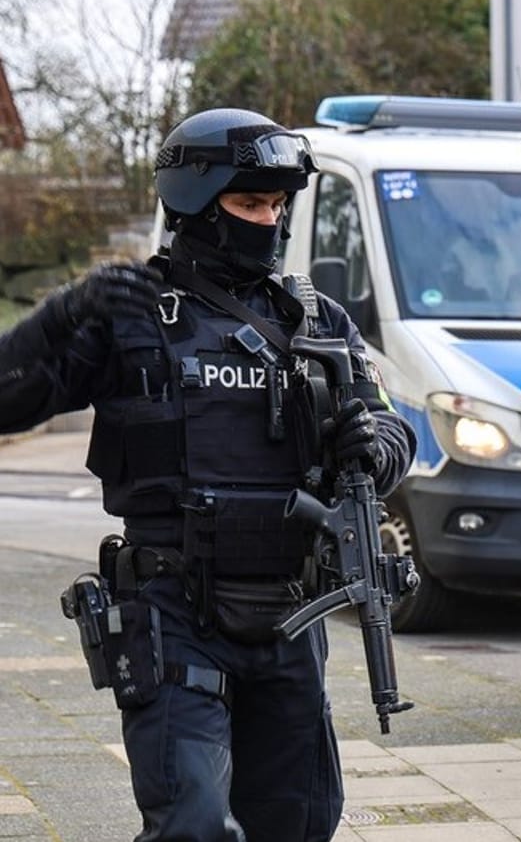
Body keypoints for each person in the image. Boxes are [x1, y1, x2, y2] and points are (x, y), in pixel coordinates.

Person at [0, 107, 415, 841]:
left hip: (292, 613)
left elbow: (392, 427)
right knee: (191, 824)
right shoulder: (130, 314)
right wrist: (60, 318)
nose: (269, 220)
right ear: (195, 201)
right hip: (174, 610)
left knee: (300, 821)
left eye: (278, 204)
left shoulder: (317, 322)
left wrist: (372, 444)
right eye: (250, 202)